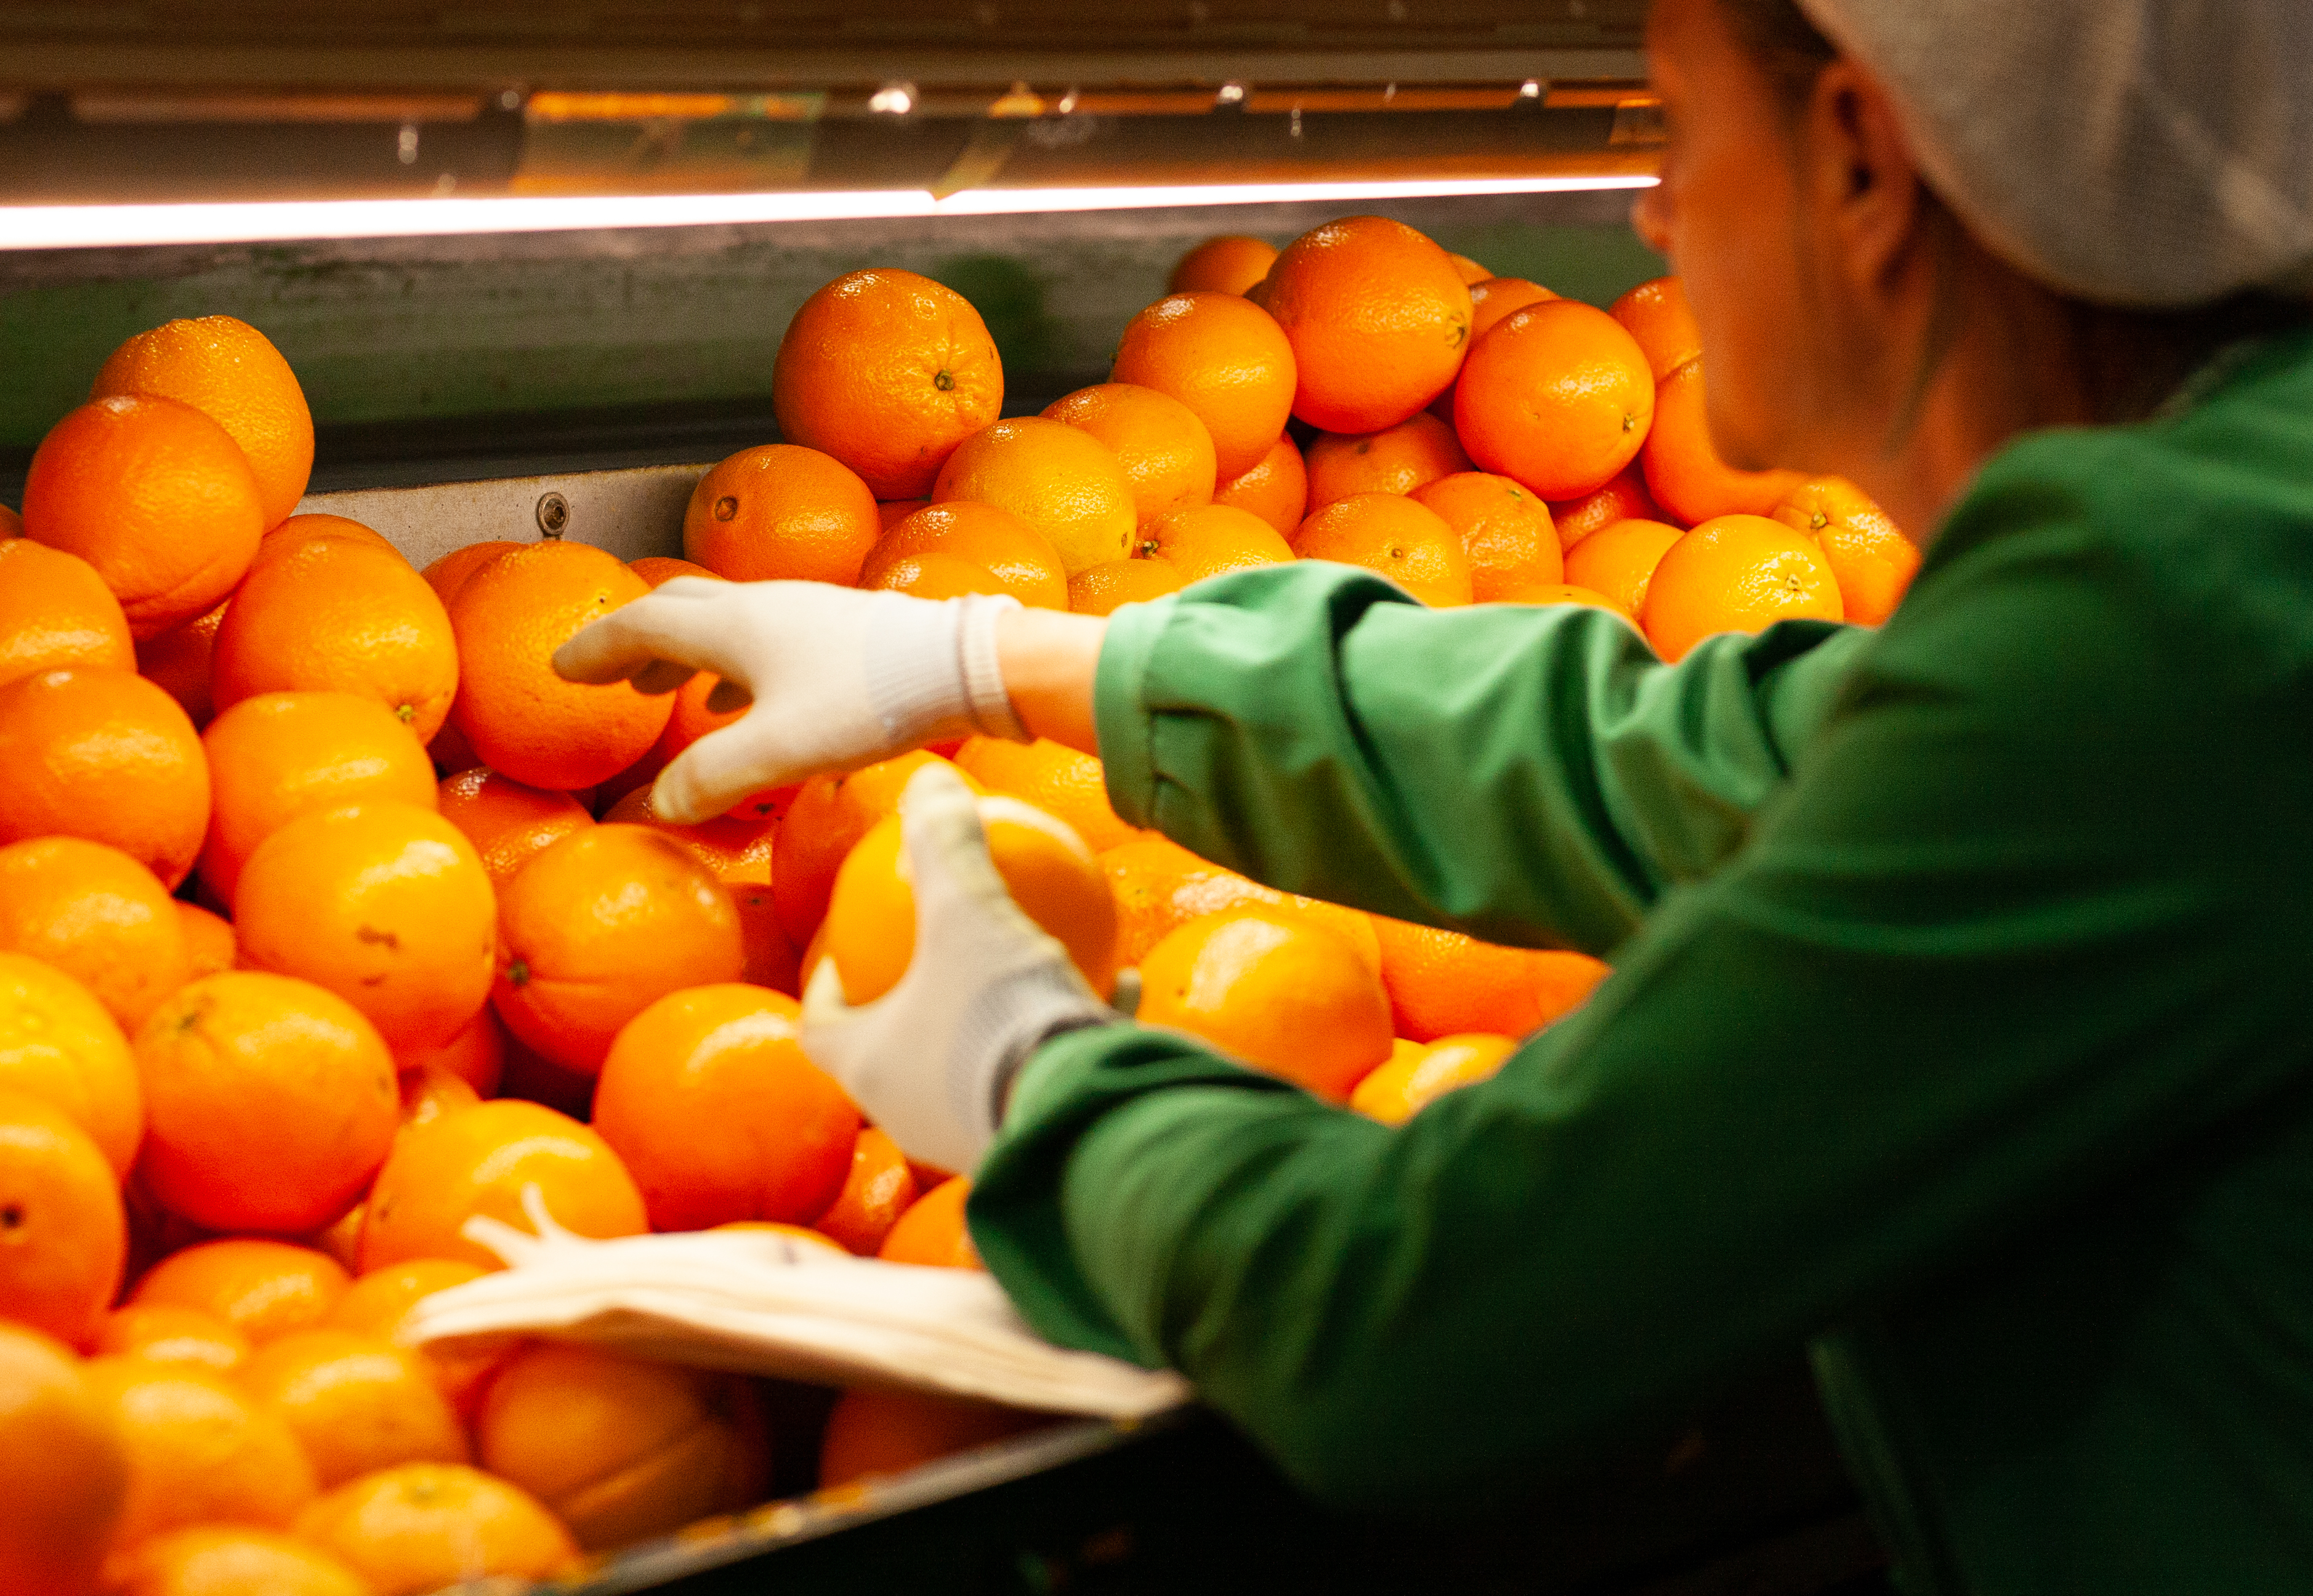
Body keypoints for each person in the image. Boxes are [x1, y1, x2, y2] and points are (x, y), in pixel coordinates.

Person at [555, 1, 2313, 1587]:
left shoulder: (2163, 617)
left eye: (1678, 127)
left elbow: (1430, 1329)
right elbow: (1713, 756)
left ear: (1862, 157)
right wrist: (1004, 665)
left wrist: (1043, 1084)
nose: (1649, 213)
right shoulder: (2237, 531)